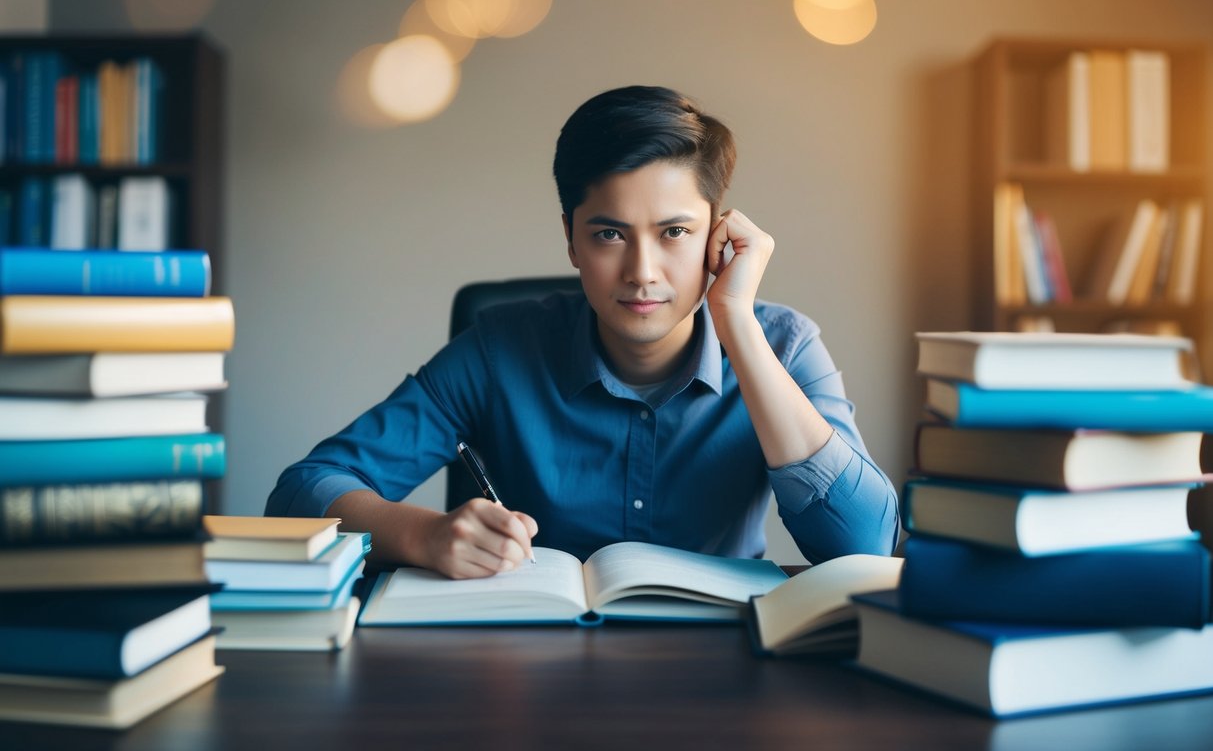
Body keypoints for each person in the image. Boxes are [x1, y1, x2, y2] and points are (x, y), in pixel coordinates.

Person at [265, 85, 899, 578]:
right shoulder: (499, 349)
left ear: (717, 235)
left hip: (723, 671)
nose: (642, 272)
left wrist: (737, 325)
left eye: (674, 232)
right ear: (570, 238)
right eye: (609, 234)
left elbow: (865, 547)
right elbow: (300, 493)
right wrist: (422, 535)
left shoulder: (783, 343)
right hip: (530, 668)